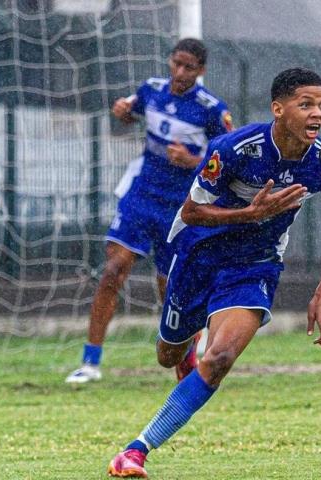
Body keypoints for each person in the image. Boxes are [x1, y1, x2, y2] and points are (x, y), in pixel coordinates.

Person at [106, 67, 321, 478]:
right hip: (198, 256)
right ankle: (186, 343)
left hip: (254, 266)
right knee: (167, 355)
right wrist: (249, 213)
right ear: (278, 109)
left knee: (220, 357)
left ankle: (135, 452)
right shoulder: (235, 149)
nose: (317, 113)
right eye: (306, 104)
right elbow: (191, 212)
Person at [66, 38, 233, 384]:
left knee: (171, 293)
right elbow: (130, 112)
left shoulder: (211, 110)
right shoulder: (152, 90)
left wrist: (192, 161)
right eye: (176, 64)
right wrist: (123, 112)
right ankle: (90, 362)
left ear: (201, 70)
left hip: (180, 210)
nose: (180, 72)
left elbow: (228, 161)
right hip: (141, 196)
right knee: (113, 270)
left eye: (189, 67)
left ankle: (184, 364)